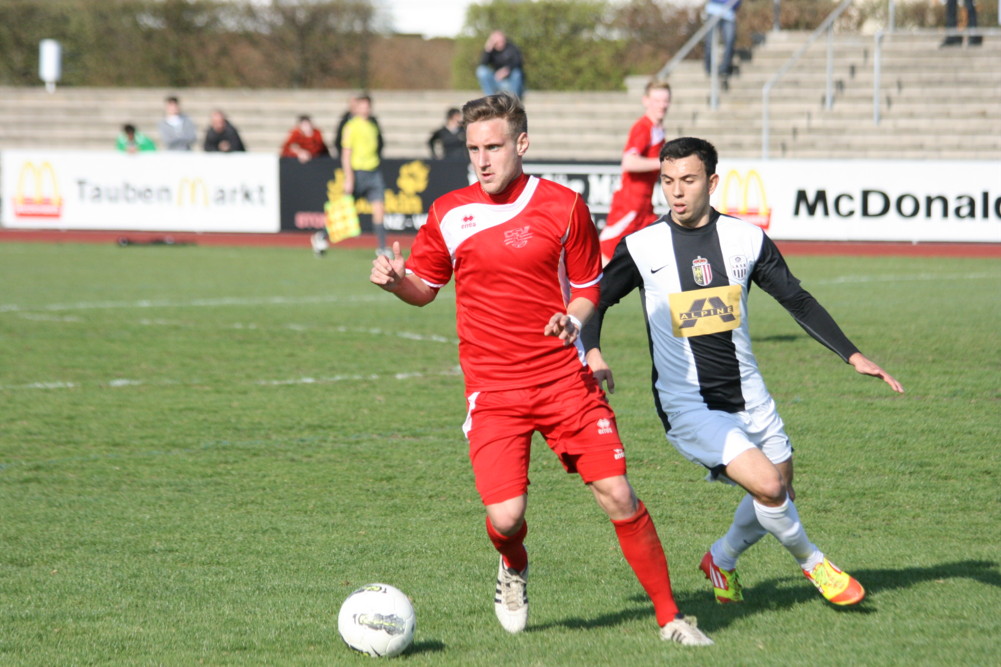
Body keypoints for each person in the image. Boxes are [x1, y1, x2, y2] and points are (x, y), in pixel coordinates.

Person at [368, 93, 713, 647]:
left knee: (619, 495)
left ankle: (670, 618)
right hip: (494, 388)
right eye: (474, 148)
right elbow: (426, 289)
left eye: (494, 146)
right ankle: (513, 565)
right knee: (505, 518)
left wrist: (574, 323)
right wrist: (396, 283)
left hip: (562, 379)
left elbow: (586, 290)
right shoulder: (449, 212)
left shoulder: (564, 206)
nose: (483, 159)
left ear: (521, 144)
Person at [582, 136, 904, 610]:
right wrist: (592, 351)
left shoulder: (746, 239)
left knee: (780, 490)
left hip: (749, 393)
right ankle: (815, 563)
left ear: (711, 182)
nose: (676, 192)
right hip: (688, 403)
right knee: (770, 488)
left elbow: (796, 298)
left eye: (688, 180)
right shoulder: (642, 245)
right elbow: (594, 302)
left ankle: (721, 558)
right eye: (667, 181)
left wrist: (851, 355)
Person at [598, 80, 672, 265]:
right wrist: (664, 163)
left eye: (665, 100)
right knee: (606, 255)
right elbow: (629, 162)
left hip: (645, 205)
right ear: (645, 101)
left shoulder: (658, 130)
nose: (662, 105)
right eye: (657, 100)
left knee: (658, 251)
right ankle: (588, 292)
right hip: (629, 204)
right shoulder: (643, 128)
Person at [338, 93, 389, 257]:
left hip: (374, 171)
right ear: (357, 107)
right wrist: (349, 178)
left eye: (368, 106)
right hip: (357, 172)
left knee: (379, 207)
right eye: (363, 106)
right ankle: (321, 236)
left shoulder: (373, 126)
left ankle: (381, 246)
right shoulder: (351, 126)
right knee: (346, 210)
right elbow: (346, 153)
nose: (366, 109)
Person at [476, 31, 525, 99]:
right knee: (481, 70)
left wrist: (507, 70)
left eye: (501, 40)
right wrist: (488, 49)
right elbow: (483, 64)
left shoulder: (512, 48)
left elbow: (518, 62)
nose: (499, 42)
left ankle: (514, 100)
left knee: (517, 73)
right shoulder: (491, 51)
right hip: (497, 81)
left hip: (510, 81)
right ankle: (490, 99)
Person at [703, 0, 741, 79]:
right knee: (710, 41)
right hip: (714, 10)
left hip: (729, 13)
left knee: (730, 40)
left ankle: (724, 68)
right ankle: (709, 68)